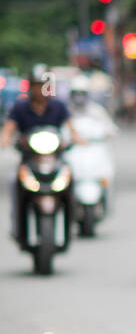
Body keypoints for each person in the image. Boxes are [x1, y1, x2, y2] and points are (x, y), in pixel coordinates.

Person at [2, 69, 82, 239]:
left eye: (44, 86)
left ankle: (72, 222)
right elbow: (8, 128)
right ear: (31, 88)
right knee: (14, 183)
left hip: (55, 159)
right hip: (29, 159)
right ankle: (17, 225)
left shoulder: (58, 106)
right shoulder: (20, 107)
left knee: (71, 180)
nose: (40, 90)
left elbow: (71, 128)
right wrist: (5, 139)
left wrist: (77, 138)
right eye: (37, 86)